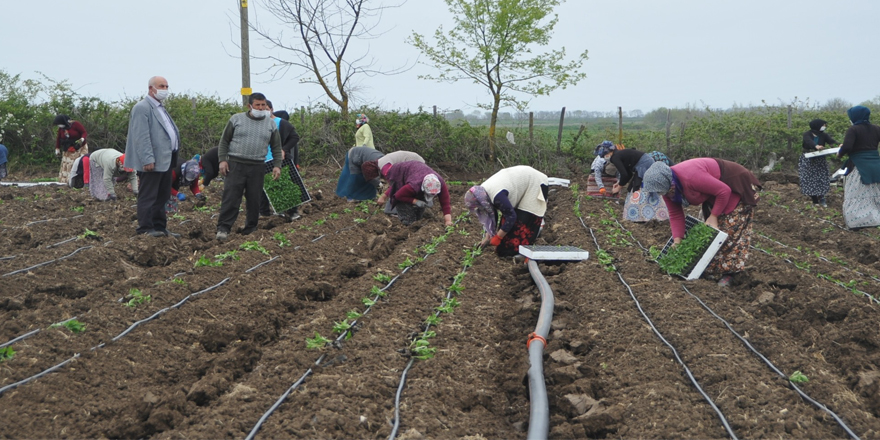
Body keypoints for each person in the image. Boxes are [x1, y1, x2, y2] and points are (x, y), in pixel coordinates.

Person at [642, 158, 761, 287]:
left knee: (729, 232)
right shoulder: (669, 189)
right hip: (715, 194)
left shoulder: (690, 177)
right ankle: (712, 271)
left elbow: (724, 191)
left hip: (735, 186)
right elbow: (675, 214)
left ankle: (730, 274)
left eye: (660, 191)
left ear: (666, 182)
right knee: (710, 234)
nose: (661, 194)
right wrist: (677, 240)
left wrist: (714, 215)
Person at [215, 92, 282, 241]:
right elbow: (224, 141)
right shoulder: (236, 119)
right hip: (235, 164)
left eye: (263, 105)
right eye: (257, 105)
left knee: (254, 199)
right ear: (249, 106)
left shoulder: (270, 124)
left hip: (258, 165)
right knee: (231, 197)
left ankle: (251, 228)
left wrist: (277, 165)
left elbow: (276, 146)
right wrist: (222, 160)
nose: (260, 108)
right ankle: (223, 228)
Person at [123, 76, 182, 238]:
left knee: (162, 195)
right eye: (161, 86)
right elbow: (141, 136)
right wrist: (147, 158)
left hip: (166, 160)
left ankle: (160, 227)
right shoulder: (142, 108)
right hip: (152, 161)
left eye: (166, 86)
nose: (165, 89)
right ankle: (145, 228)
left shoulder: (160, 108)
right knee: (148, 195)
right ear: (151, 89)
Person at [464, 165, 549, 257]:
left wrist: (498, 237)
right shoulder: (482, 192)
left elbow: (511, 217)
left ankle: (521, 253)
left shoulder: (497, 197)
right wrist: (487, 237)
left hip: (535, 183)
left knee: (521, 228)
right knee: (502, 246)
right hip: (523, 182)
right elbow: (492, 215)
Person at [837, 106, 880, 229]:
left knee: (857, 193)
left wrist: (840, 152)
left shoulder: (854, 129)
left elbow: (848, 147)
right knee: (875, 191)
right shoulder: (876, 129)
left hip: (859, 165)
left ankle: (858, 222)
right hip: (876, 164)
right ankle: (876, 219)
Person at [381, 161, 452, 226]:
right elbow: (398, 196)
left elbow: (445, 202)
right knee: (406, 213)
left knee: (419, 212)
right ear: (423, 187)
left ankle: (418, 220)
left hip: (417, 171)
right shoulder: (414, 185)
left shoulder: (440, 183)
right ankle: (408, 225)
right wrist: (415, 201)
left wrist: (448, 220)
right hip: (401, 172)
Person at [799, 119, 840, 207]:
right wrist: (816, 146)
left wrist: (839, 144)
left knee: (821, 177)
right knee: (810, 178)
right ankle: (814, 199)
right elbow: (808, 141)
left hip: (820, 159)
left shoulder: (823, 135)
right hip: (808, 158)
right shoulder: (807, 134)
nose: (824, 127)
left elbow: (831, 141)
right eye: (823, 125)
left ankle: (822, 197)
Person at [53, 114, 89, 183]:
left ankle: (77, 180)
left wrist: (82, 139)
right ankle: (66, 180)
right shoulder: (62, 128)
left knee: (76, 164)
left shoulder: (75, 124)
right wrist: (57, 148)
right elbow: (59, 138)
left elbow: (84, 132)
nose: (59, 126)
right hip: (68, 148)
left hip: (79, 147)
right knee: (67, 165)